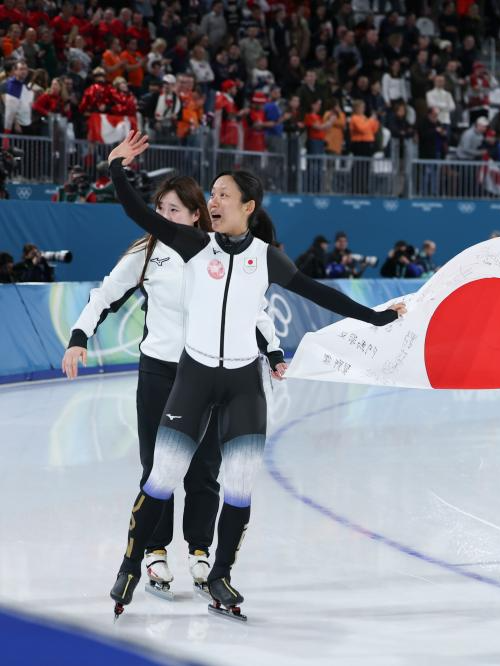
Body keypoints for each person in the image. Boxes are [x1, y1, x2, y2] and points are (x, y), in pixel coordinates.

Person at [104, 131, 406, 620]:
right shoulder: (193, 244)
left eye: (222, 194)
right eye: (212, 194)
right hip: (194, 378)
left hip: (244, 385)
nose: (213, 201)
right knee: (161, 477)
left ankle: (220, 574)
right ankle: (130, 566)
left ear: (247, 206)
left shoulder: (265, 258)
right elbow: (140, 214)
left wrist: (376, 317)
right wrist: (116, 167)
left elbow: (318, 292)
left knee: (239, 485)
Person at [61, 177, 283, 601]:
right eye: (159, 208)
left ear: (196, 215)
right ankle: (154, 550)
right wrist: (78, 337)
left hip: (207, 372)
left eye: (173, 210)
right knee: (157, 468)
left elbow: (253, 309)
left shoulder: (218, 252)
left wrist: (272, 351)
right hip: (160, 374)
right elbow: (104, 295)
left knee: (204, 468)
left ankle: (200, 550)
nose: (163, 217)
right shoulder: (145, 253)